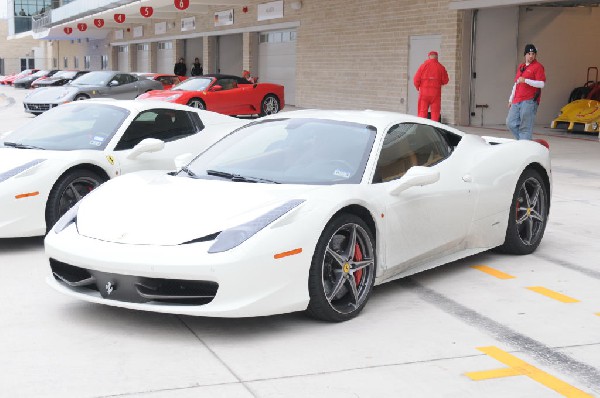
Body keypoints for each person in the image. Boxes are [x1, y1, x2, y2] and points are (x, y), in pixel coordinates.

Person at [506, 44, 546, 140]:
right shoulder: (521, 66)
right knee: (510, 123)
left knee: (525, 127)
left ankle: (524, 145)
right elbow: (516, 83)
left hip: (529, 100)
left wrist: (526, 80)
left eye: (533, 54)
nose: (531, 56)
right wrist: (511, 99)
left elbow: (541, 84)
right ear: (525, 54)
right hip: (517, 100)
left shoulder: (538, 67)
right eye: (529, 53)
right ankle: (525, 143)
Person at [413, 51, 449, 122]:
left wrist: (418, 87)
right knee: (435, 113)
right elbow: (446, 80)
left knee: (422, 113)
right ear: (437, 57)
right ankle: (434, 129)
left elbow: (416, 79)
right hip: (436, 94)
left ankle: (421, 127)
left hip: (424, 93)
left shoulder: (423, 66)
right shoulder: (441, 67)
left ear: (429, 57)